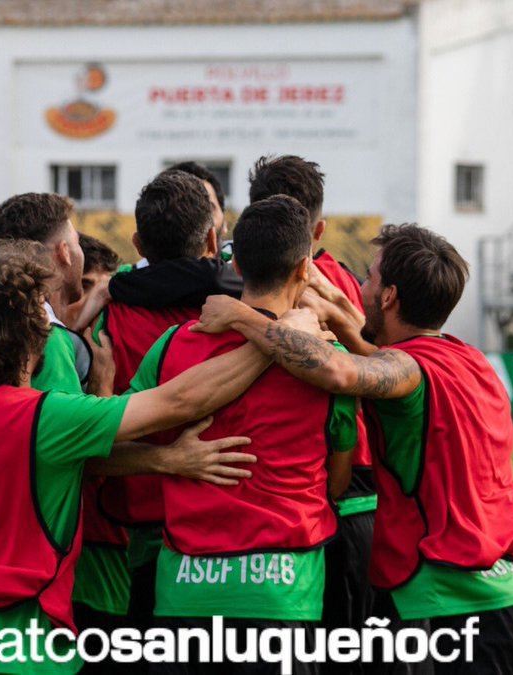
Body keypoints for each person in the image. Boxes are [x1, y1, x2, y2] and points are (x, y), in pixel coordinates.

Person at [194, 224, 513, 675]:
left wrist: (242, 317)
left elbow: (338, 372)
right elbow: (379, 357)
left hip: (454, 610)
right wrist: (338, 316)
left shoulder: (408, 371)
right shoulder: (471, 360)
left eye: (369, 279)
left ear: (389, 296)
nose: (361, 288)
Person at [0, 238, 283, 674]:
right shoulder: (44, 417)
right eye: (43, 314)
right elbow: (180, 401)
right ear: (33, 336)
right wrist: (275, 339)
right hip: (19, 652)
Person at [141, 195, 357, 674]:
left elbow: (113, 442)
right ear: (305, 268)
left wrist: (167, 460)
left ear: (234, 261)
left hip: (183, 594)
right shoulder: (328, 360)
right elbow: (338, 481)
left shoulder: (172, 345)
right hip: (283, 595)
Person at [87, 170, 242, 636]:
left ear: (137, 242)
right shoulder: (245, 312)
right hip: (227, 523)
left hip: (134, 522)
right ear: (214, 238)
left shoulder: (102, 319)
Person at [249, 153, 377, 645]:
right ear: (318, 229)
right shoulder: (348, 287)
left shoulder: (221, 287)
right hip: (350, 496)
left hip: (287, 499)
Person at [0, 192, 90, 393]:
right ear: (64, 252)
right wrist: (103, 382)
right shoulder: (48, 339)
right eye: (77, 242)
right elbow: (63, 422)